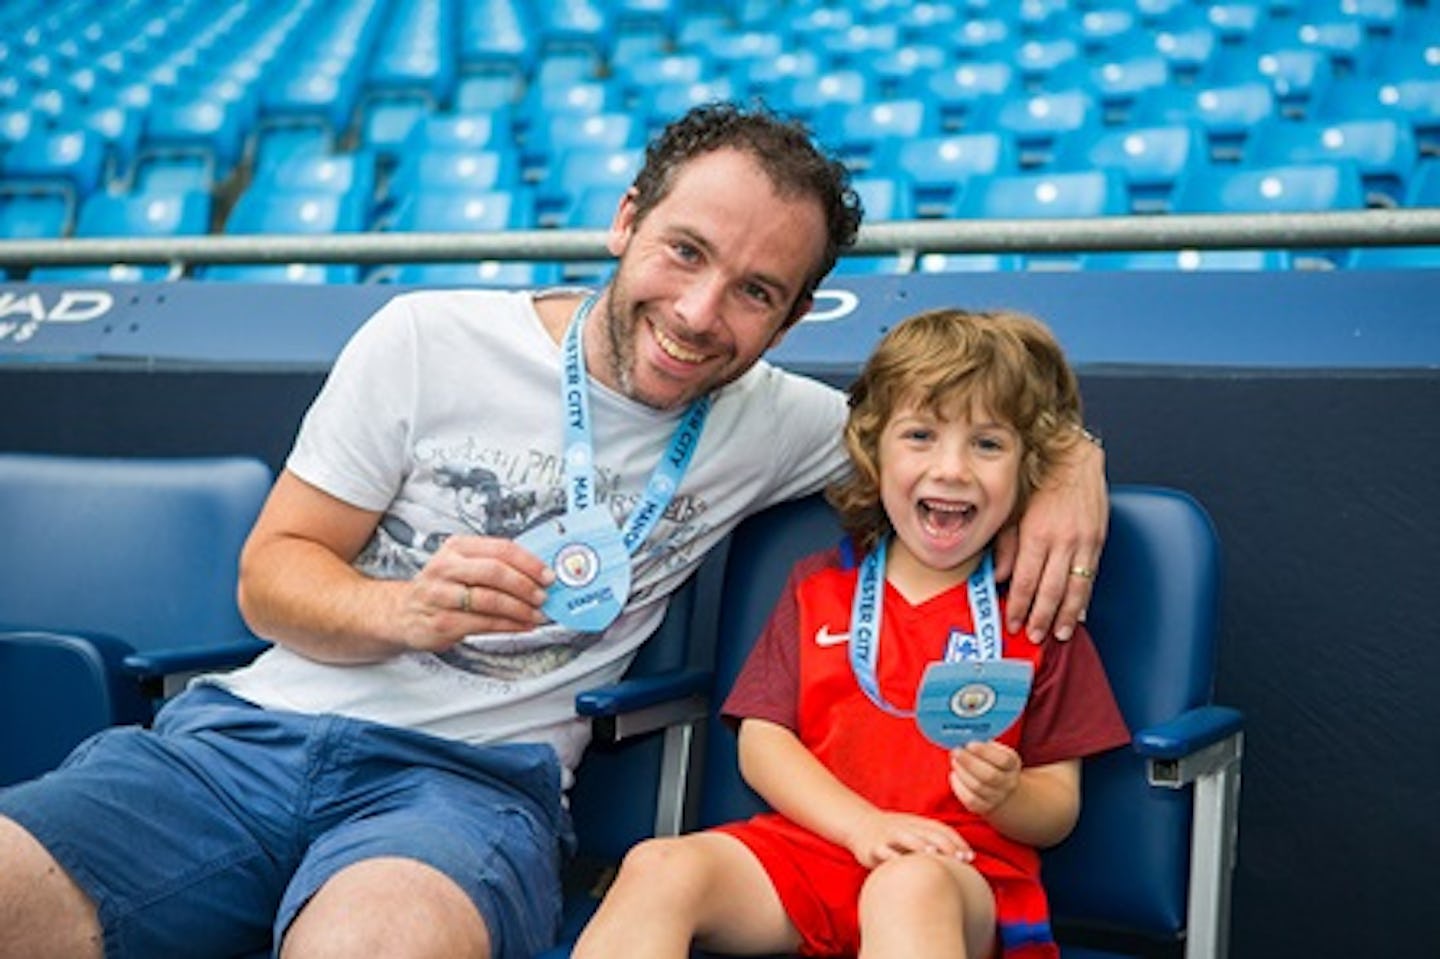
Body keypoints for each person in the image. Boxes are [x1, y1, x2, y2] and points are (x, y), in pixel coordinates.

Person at [0, 104, 1106, 959]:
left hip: (466, 785)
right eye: (683, 251)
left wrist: (1069, 464)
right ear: (626, 219)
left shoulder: (789, 422)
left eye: (755, 290)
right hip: (241, 741)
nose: (698, 313)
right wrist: (401, 608)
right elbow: (270, 576)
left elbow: (956, 436)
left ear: (793, 316)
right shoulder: (424, 336)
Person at [573, 308, 1129, 959]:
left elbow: (1058, 807)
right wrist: (861, 825)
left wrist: (1007, 795)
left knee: (905, 886)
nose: (951, 468)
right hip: (817, 848)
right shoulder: (818, 587)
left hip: (954, 871)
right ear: (873, 447)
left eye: (987, 443)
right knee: (658, 867)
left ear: (1027, 466)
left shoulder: (1036, 610)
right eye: (921, 435)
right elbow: (762, 741)